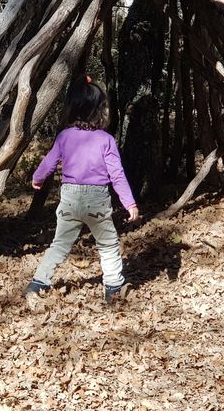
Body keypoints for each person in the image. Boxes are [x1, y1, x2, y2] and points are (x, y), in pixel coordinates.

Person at [26, 76, 139, 304]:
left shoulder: (64, 136)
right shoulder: (106, 140)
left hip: (70, 198)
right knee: (107, 245)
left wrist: (37, 179)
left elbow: (49, 162)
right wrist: (129, 203)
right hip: (97, 200)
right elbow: (117, 175)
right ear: (100, 112)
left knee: (60, 243)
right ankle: (114, 288)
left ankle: (38, 283)